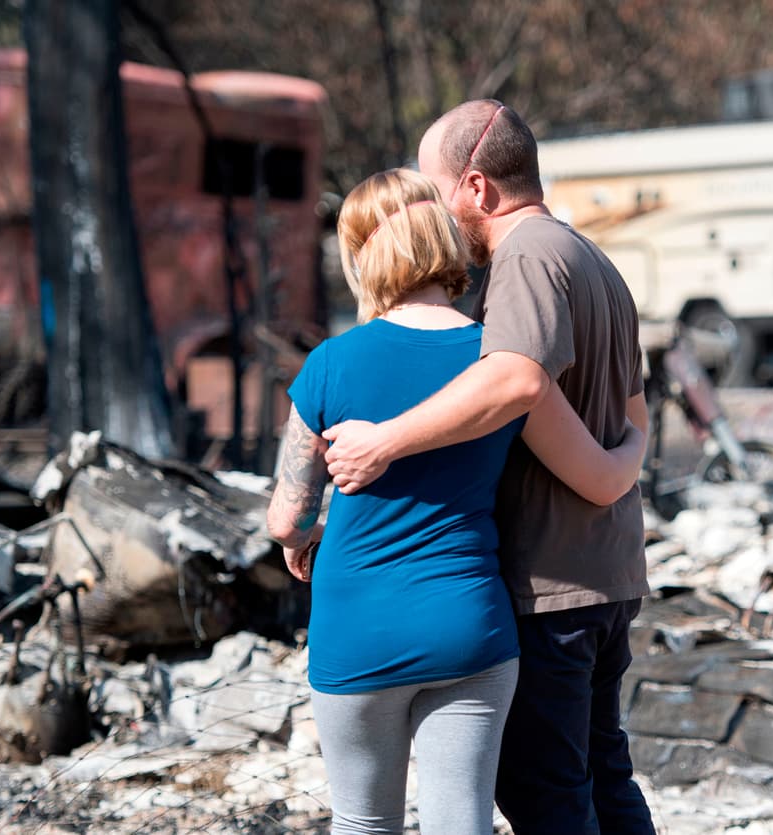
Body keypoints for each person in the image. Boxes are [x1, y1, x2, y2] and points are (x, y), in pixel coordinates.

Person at [266, 167, 645, 835]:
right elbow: (593, 472)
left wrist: (309, 534)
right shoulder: (499, 362)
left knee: (362, 821)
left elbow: (285, 518)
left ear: (363, 258)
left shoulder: (329, 362)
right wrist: (636, 441)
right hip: (469, 623)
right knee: (460, 822)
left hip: (358, 628)